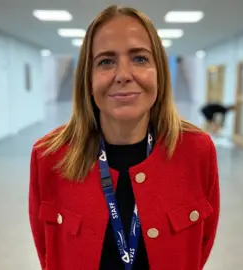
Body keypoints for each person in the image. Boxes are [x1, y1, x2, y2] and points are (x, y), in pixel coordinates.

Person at [29, 5, 220, 270]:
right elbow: (48, 253)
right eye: (106, 61)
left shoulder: (196, 151)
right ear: (88, 77)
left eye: (140, 58)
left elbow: (200, 247)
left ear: (160, 72)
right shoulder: (49, 156)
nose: (123, 75)